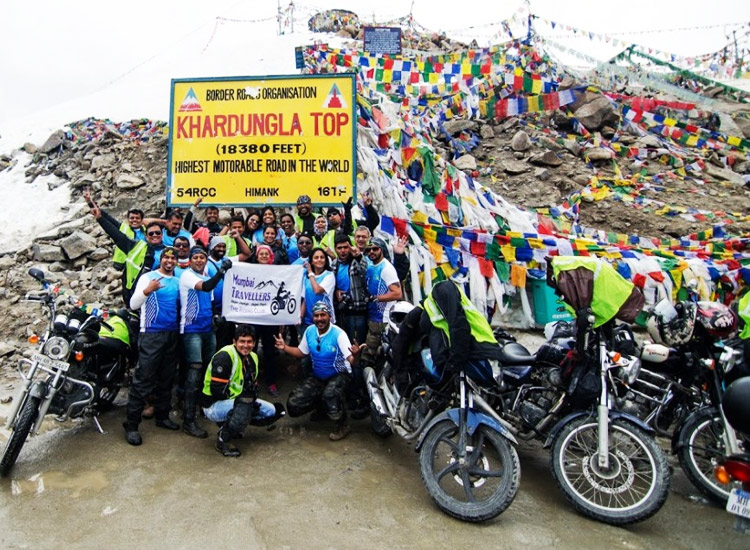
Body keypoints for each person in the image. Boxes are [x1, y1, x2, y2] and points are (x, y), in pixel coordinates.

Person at [275, 302, 364, 440]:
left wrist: (357, 354)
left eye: (323, 315)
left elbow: (352, 361)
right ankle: (324, 409)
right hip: (319, 377)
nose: (319, 318)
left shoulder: (338, 334)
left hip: (340, 375)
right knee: (293, 405)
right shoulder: (310, 331)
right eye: (316, 315)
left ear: (329, 316)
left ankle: (342, 425)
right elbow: (301, 352)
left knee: (330, 394)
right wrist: (285, 347)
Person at [123, 247, 181, 446]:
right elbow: (133, 304)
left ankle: (162, 416)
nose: (169, 261)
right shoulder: (148, 277)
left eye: (173, 258)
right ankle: (131, 425)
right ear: (161, 259)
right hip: (151, 333)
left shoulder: (178, 281)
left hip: (172, 334)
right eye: (166, 257)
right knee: (143, 380)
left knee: (166, 378)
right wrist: (148, 290)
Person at [202, 324, 286, 457]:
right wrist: (246, 404)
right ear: (234, 342)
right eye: (242, 341)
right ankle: (223, 440)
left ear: (254, 343)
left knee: (272, 411)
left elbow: (252, 386)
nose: (245, 345)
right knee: (245, 404)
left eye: (249, 342)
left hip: (236, 400)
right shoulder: (225, 356)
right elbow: (217, 390)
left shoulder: (253, 357)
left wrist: (251, 403)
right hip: (213, 405)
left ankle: (235, 425)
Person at [391, 279, 500, 375]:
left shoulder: (441, 291)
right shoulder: (431, 305)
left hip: (475, 350)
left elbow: (457, 325)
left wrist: (455, 361)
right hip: (482, 348)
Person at [179, 246, 232, 438]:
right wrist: (222, 270)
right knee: (194, 372)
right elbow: (207, 287)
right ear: (191, 260)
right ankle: (188, 419)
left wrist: (215, 316)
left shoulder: (207, 274)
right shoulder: (187, 276)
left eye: (202, 257)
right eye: (196, 258)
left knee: (208, 370)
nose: (200, 260)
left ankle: (204, 406)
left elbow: (208, 301)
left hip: (208, 329)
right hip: (192, 330)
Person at [89, 203, 165, 306]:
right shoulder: (136, 246)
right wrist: (100, 218)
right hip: (136, 292)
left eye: (157, 233)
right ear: (146, 236)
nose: (154, 235)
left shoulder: (168, 252)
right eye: (151, 234)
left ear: (162, 235)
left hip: (161, 294)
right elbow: (116, 235)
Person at [361, 238, 403, 371]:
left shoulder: (386, 268)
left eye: (375, 249)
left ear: (382, 250)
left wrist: (376, 298)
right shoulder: (370, 265)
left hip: (382, 319)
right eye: (369, 250)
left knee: (370, 355)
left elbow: (397, 293)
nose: (371, 252)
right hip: (372, 317)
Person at [254, 244, 282, 397]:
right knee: (251, 351)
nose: (264, 256)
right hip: (253, 317)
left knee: (270, 351)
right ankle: (251, 381)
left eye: (267, 254)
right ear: (257, 256)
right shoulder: (249, 271)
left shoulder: (277, 272)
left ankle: (271, 382)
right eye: (261, 254)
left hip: (271, 319)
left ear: (271, 256)